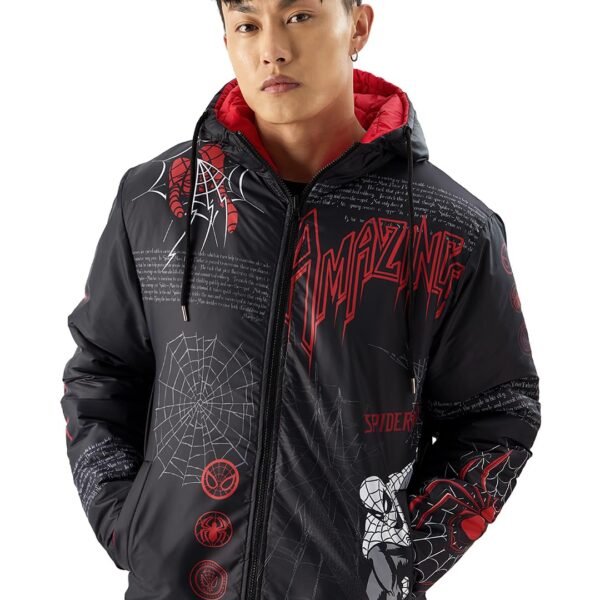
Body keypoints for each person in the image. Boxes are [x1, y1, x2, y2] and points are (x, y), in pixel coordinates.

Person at [60, 1, 542, 599]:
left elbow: (497, 416)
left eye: (299, 16)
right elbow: (101, 372)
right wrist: (127, 524)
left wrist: (395, 563)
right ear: (228, 40)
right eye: (248, 24)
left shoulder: (450, 228)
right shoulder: (156, 202)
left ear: (358, 26)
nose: (272, 49)